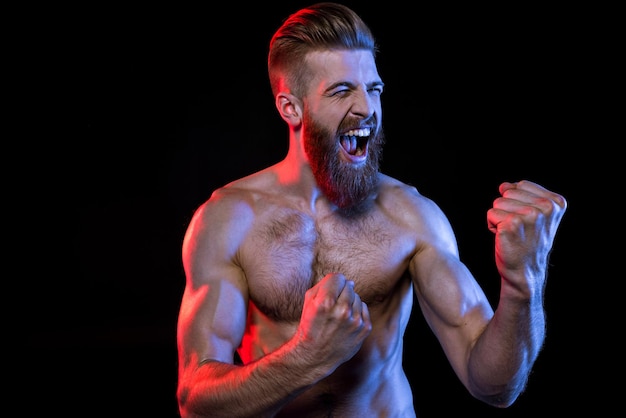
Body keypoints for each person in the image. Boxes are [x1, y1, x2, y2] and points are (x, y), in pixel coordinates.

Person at [175, 2, 567, 417]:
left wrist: (524, 281)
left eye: (374, 89)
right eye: (342, 90)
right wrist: (308, 356)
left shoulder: (411, 217)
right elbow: (196, 402)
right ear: (291, 108)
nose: (367, 109)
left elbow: (494, 386)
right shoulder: (229, 221)